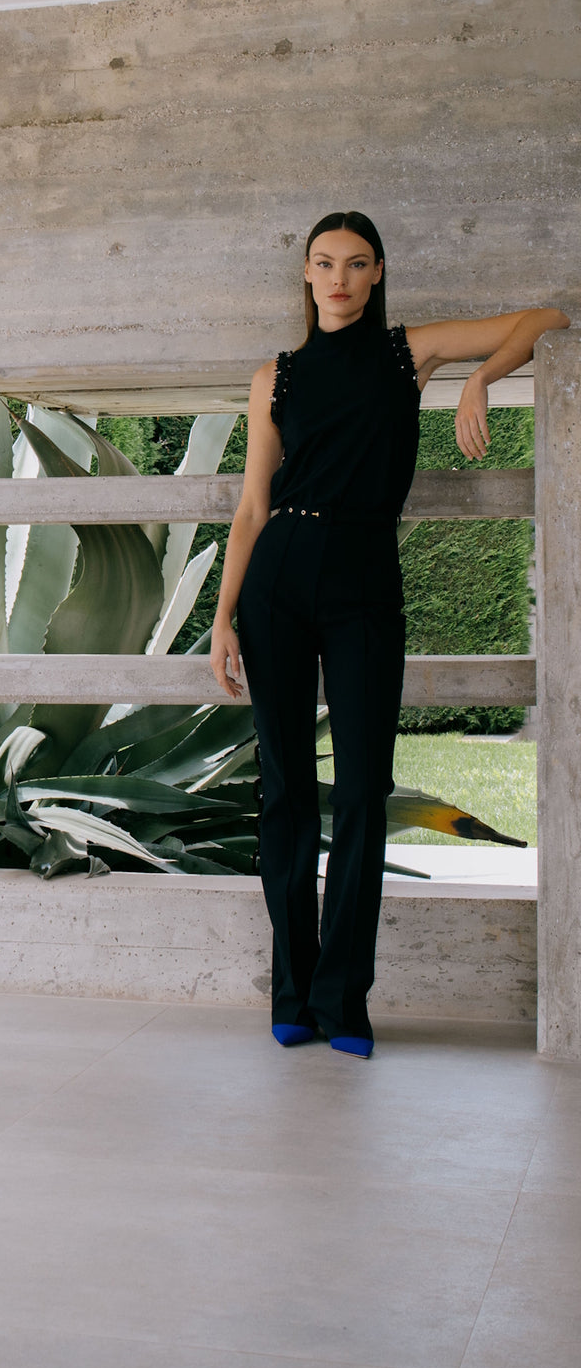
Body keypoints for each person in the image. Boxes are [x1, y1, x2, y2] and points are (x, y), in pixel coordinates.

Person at [210, 211, 567, 1058]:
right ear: (306, 274)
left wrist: (481, 379)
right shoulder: (275, 377)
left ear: (376, 274)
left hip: (365, 581)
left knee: (365, 787)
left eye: (356, 263)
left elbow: (545, 319)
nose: (338, 278)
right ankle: (293, 995)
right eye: (324, 262)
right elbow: (253, 505)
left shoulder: (409, 353)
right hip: (277, 579)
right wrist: (223, 616)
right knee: (286, 790)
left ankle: (344, 1000)